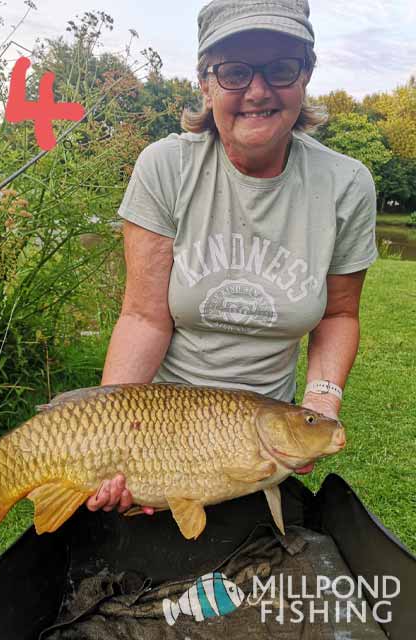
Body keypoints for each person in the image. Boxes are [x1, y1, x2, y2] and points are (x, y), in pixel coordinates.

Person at [86, 0, 378, 515]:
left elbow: (338, 314)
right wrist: (115, 435)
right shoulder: (165, 167)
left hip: (266, 434)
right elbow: (143, 316)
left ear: (306, 74)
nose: (259, 91)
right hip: (159, 430)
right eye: (235, 72)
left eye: (281, 68)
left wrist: (319, 405)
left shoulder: (347, 184)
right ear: (205, 82)